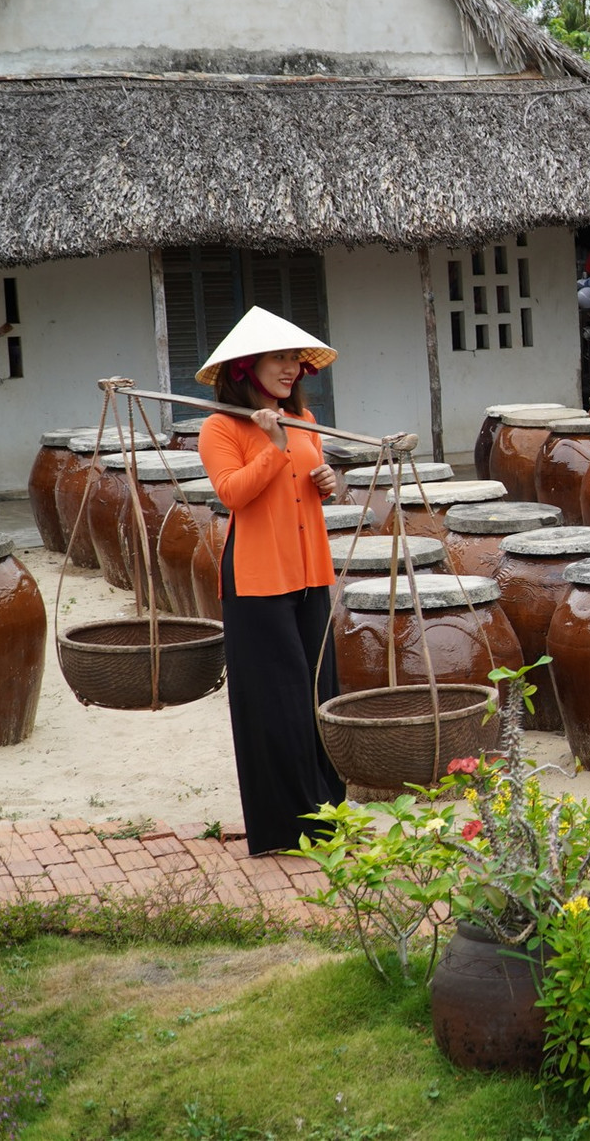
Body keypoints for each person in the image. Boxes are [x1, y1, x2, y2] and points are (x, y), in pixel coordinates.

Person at [194, 307, 346, 856]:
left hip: (309, 570)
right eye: (280, 358)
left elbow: (305, 488)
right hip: (258, 579)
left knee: (318, 691)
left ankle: (329, 815)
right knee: (276, 702)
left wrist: (327, 481)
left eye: (295, 360)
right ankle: (286, 827)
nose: (292, 369)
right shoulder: (220, 428)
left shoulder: (302, 421)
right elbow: (232, 493)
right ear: (245, 368)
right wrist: (272, 445)